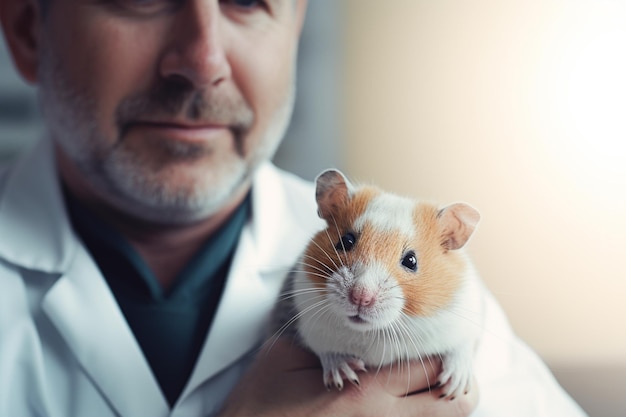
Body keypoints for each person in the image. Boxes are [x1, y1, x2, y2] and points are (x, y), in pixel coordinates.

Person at [0, 1, 587, 416]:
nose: (204, 61)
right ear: (28, 28)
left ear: (296, 26)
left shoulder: (459, 309)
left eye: (249, 0)